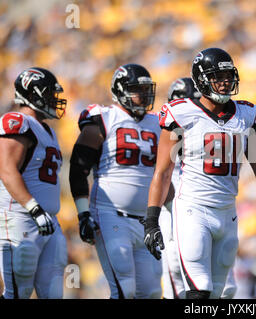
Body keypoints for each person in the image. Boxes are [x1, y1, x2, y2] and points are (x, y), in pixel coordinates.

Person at [143, 47, 256, 299]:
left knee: (220, 294)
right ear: (201, 79)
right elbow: (163, 172)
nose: (225, 83)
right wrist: (151, 219)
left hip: (228, 214)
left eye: (228, 76)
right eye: (217, 77)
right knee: (198, 291)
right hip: (193, 210)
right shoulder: (182, 113)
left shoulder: (246, 114)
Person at [69, 63, 163, 299]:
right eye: (135, 89)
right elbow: (78, 167)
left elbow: (167, 175)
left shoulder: (158, 123)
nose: (143, 95)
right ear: (120, 91)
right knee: (124, 289)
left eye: (145, 89)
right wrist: (83, 214)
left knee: (151, 292)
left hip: (146, 221)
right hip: (110, 214)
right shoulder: (104, 118)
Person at [160, 77, 237, 299]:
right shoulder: (166, 126)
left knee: (223, 287)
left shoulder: (212, 124)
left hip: (205, 199)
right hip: (176, 194)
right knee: (176, 268)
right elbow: (158, 173)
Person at [0, 67, 68, 298]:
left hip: (48, 221)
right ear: (32, 94)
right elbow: (7, 170)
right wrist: (34, 209)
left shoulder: (47, 130)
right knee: (19, 291)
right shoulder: (18, 121)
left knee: (53, 292)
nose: (54, 99)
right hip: (21, 218)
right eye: (49, 94)